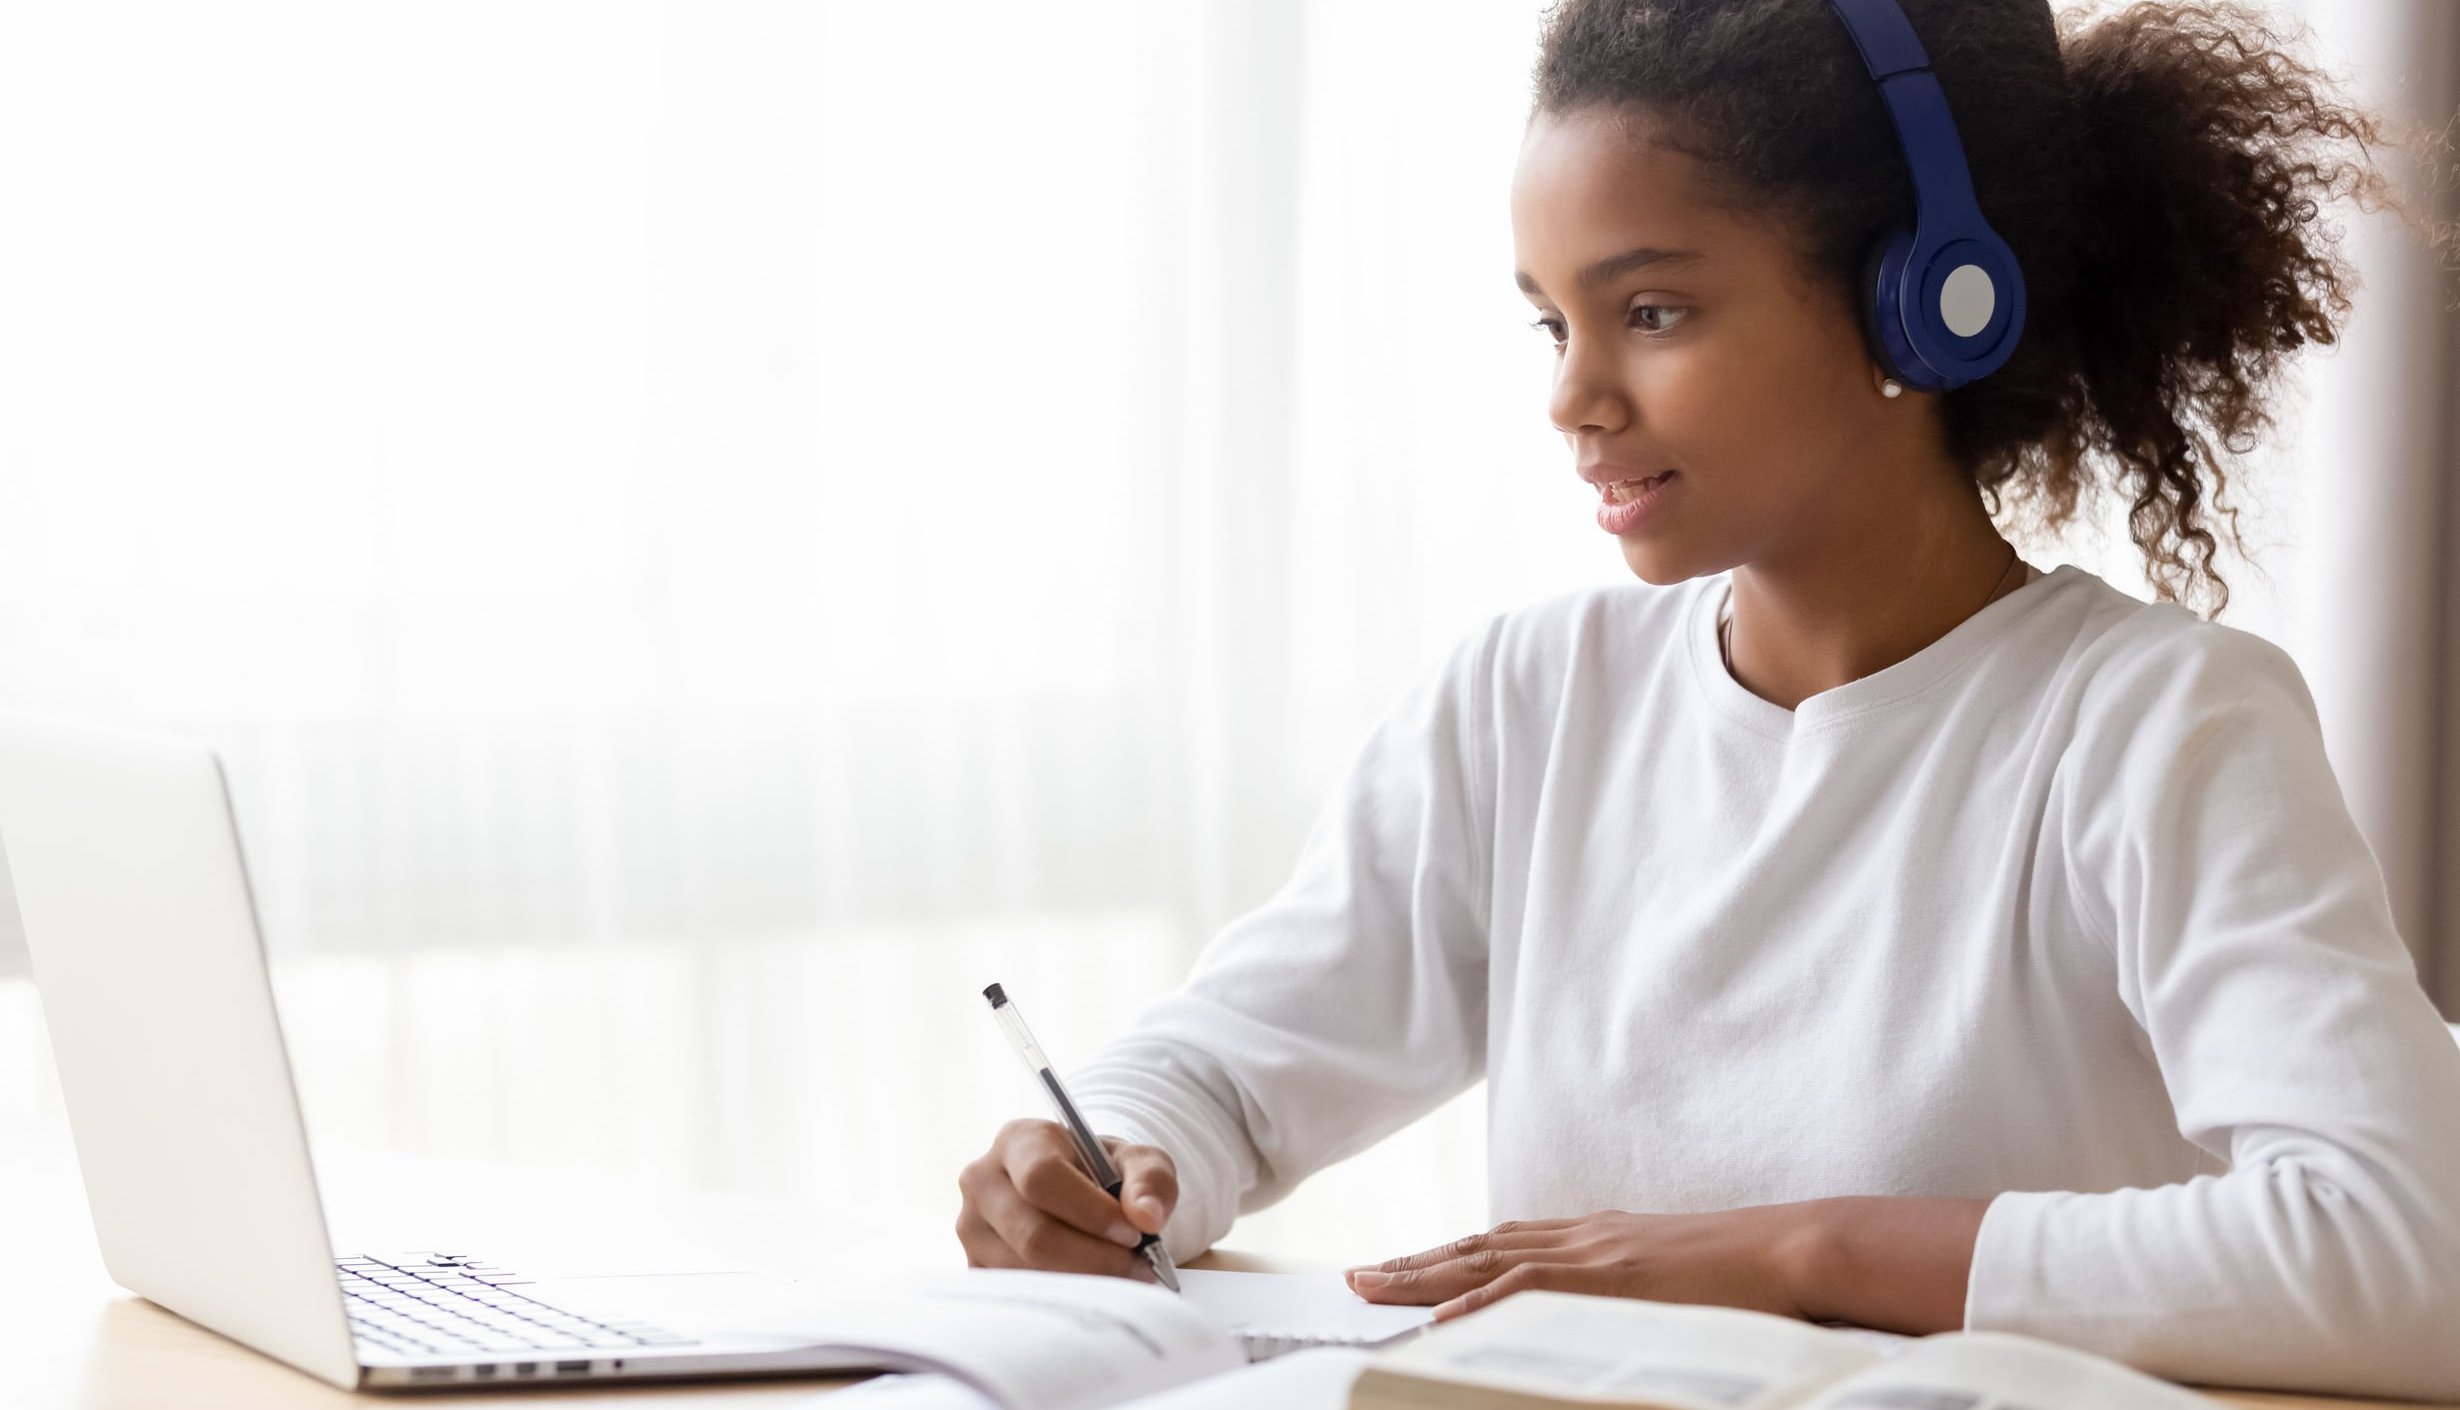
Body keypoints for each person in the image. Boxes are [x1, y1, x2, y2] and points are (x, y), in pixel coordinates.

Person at [952, 0, 2460, 1399]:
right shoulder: (1529, 704)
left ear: (1927, 306)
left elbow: (2413, 1251)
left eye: (1653, 311)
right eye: (1554, 323)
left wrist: (1796, 1255)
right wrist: (1116, 1155)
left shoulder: (2157, 726)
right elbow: (1225, 1067)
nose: (1573, 397)